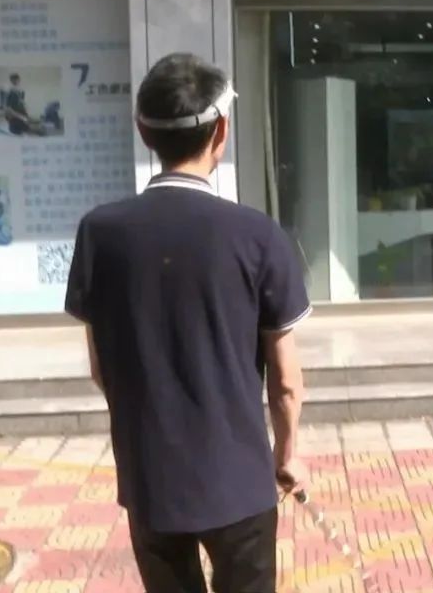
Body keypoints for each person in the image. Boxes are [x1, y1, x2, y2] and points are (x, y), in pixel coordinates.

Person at [64, 52, 311, 593]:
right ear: (221, 132)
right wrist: (287, 453)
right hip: (239, 478)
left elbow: (102, 367)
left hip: (149, 476)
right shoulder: (257, 235)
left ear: (142, 131)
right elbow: (286, 383)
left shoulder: (100, 232)